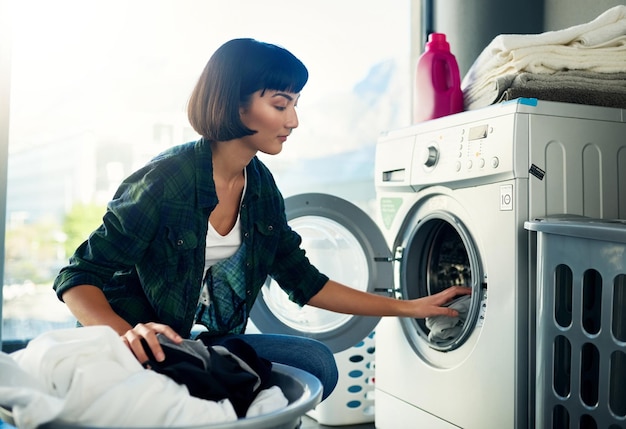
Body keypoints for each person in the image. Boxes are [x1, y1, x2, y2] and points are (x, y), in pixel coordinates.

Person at [53, 38, 471, 401]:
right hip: (134, 340)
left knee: (315, 362)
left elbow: (304, 282)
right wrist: (127, 334)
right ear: (234, 104)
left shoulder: (260, 187)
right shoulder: (167, 180)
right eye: (279, 104)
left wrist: (411, 307)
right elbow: (78, 277)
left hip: (193, 338)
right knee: (195, 388)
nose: (293, 121)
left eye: (294, 104)